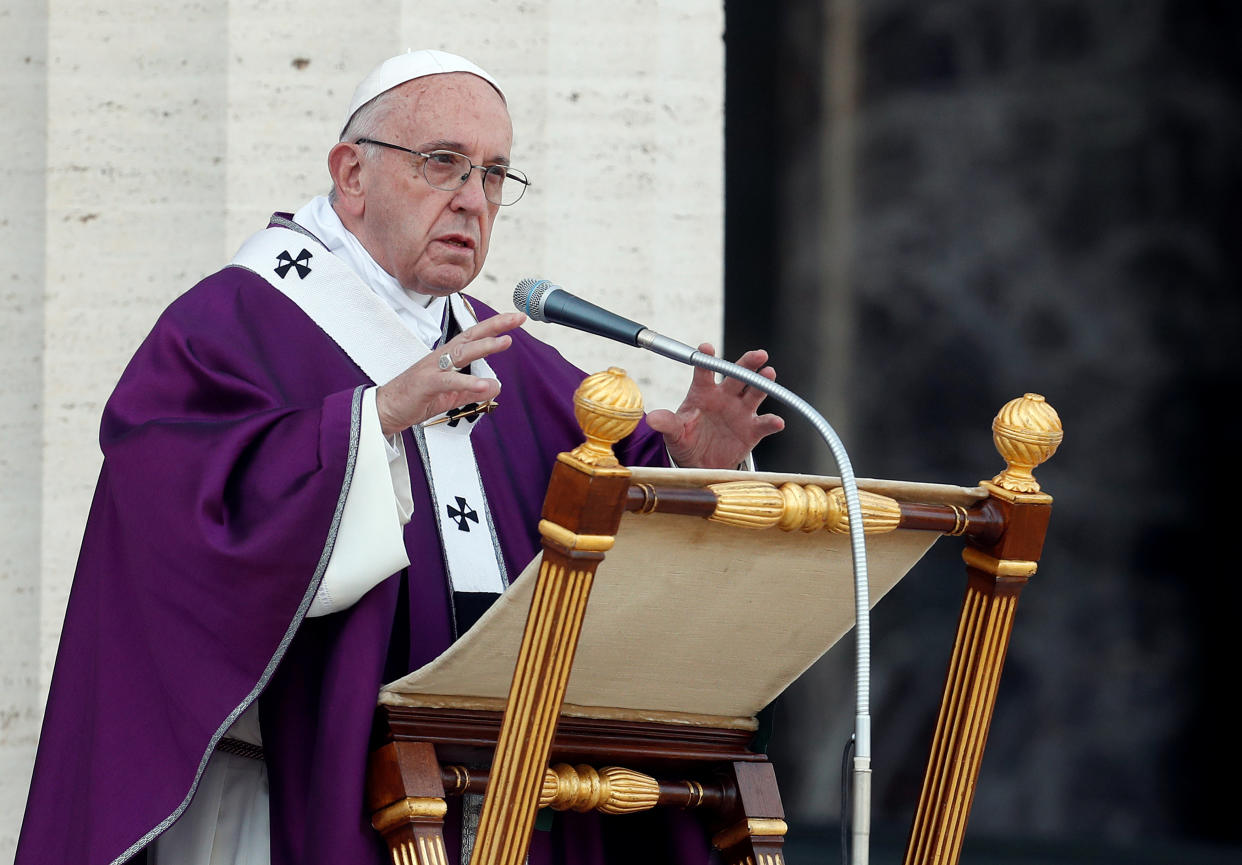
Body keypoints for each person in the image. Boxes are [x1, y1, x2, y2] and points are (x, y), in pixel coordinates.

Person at [16, 50, 783, 865]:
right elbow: (170, 514)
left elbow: (609, 512)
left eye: (494, 175)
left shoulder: (504, 358)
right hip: (296, 797)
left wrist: (686, 462)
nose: (472, 199)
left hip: (495, 800)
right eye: (443, 163)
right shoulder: (232, 321)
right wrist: (369, 421)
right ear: (352, 173)